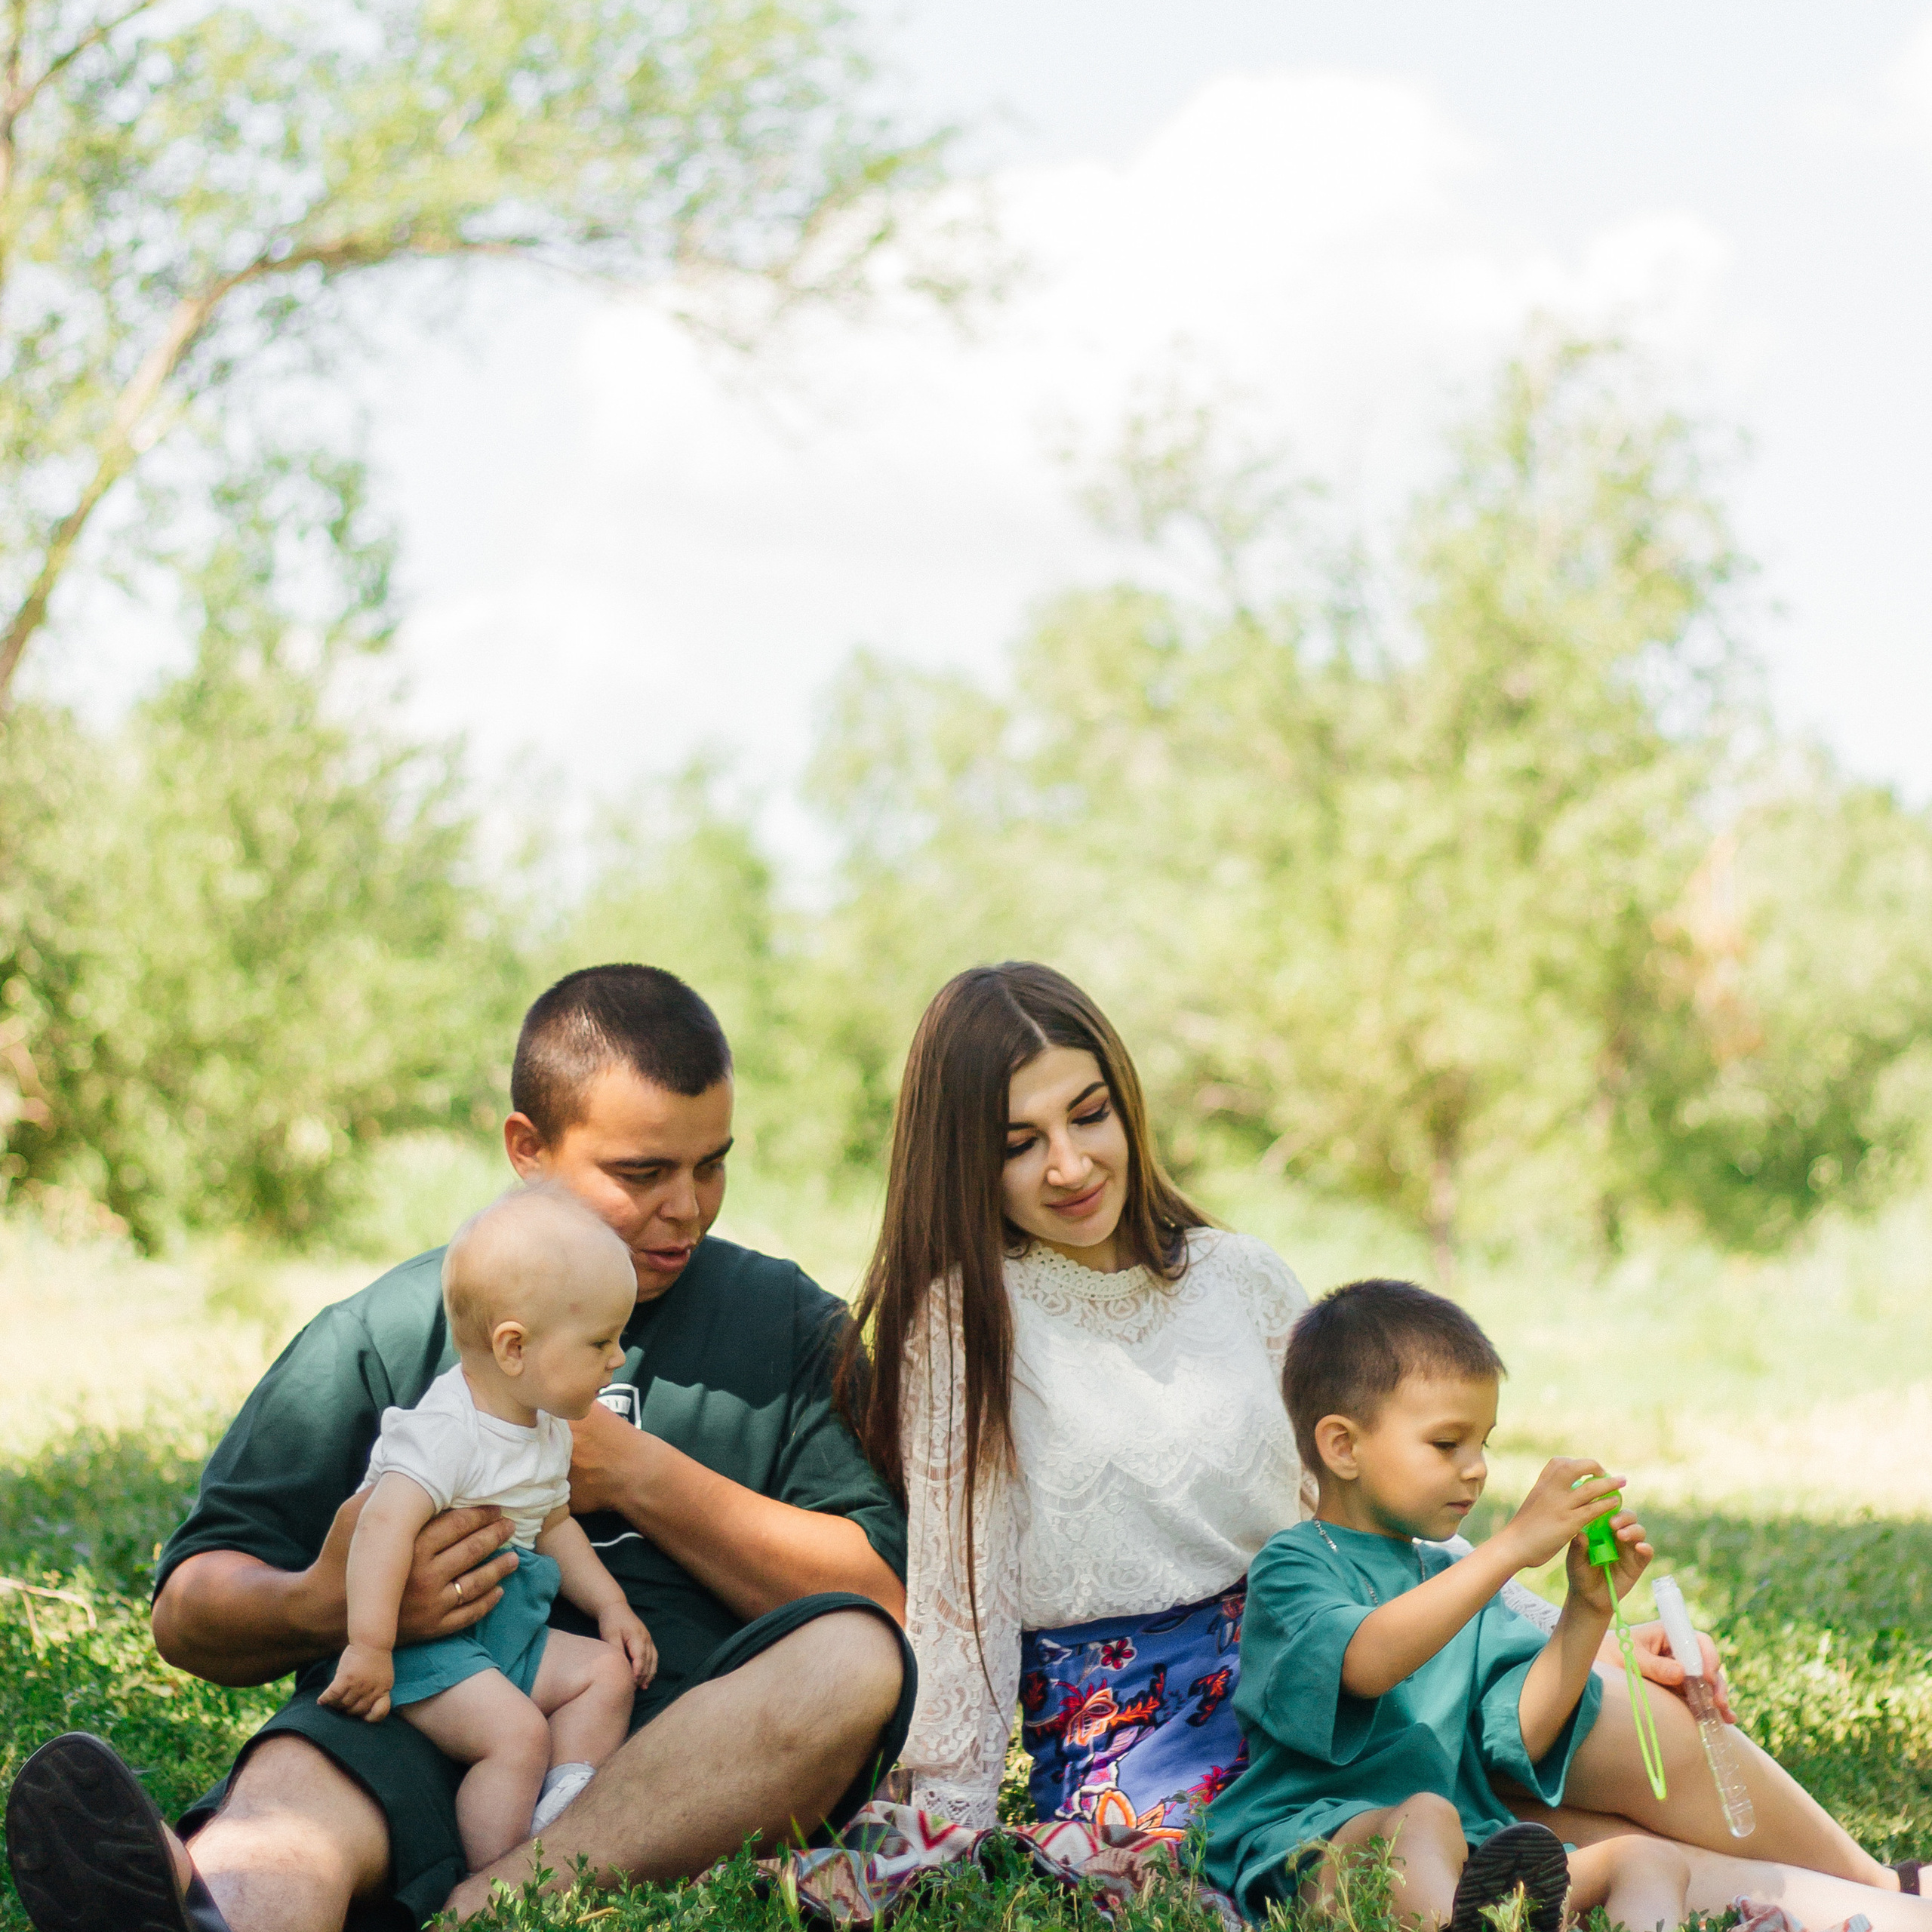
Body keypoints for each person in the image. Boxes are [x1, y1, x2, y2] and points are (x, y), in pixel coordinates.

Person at [838, 960, 1922, 1899]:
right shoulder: (963, 1324)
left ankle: (1882, 1894)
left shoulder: (1241, 1280)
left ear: (1126, 1102)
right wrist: (951, 1820)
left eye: (1089, 1115)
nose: (1070, 1166)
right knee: (1554, 1852)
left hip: (1360, 1648)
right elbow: (959, 1596)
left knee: (1622, 1719)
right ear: (964, 1160)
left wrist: (1564, 1631)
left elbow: (1372, 1510)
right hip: (1163, 1746)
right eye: (1019, 1142)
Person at [4, 965, 915, 1932]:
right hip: (424, 1717)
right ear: (527, 1147)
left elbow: (885, 1600)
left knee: (854, 1662)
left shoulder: (783, 1324)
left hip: (685, 1747)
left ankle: (490, 1901)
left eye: (712, 1163)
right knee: (293, 1808)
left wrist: (635, 1473)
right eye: (642, 1174)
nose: (687, 1207)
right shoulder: (393, 1327)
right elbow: (188, 1607)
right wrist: (322, 1602)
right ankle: (217, 1909)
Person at [1206, 1279, 1932, 1932]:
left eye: (1483, 1442)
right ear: (1343, 1447)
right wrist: (1512, 1548)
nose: (1477, 1467)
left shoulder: (1446, 1575)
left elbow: (1517, 1734)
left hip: (1472, 1844)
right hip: (1313, 1841)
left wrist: (1587, 1611)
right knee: (1424, 1820)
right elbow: (1365, 1661)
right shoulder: (1296, 1566)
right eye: (1446, 1443)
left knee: (1645, 1860)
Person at [317, 1188, 657, 1869]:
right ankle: (500, 1880)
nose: (618, 1357)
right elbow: (381, 1528)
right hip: (422, 1642)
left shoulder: (545, 1425)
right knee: (518, 1736)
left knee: (604, 1675)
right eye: (600, 1341)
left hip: (502, 1624)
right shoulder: (446, 1432)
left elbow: (552, 1520)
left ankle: (562, 1809)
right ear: (513, 1348)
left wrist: (610, 1604)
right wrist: (369, 1644)